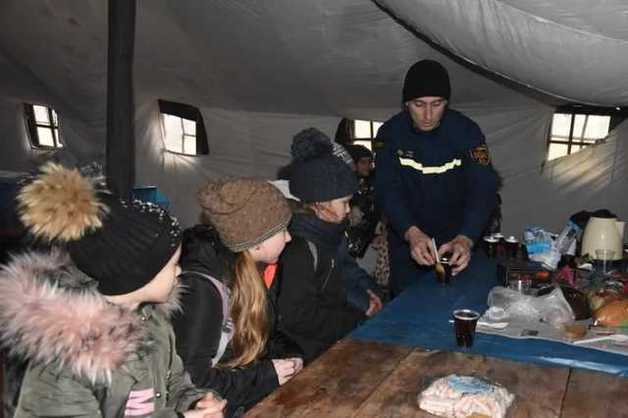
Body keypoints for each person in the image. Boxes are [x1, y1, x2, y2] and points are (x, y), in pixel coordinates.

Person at [0, 163, 225, 418]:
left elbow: (175, 384)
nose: (180, 272)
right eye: (173, 265)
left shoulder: (153, 321)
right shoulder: (66, 356)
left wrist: (195, 403)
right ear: (138, 274)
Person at [173, 179, 303, 416]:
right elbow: (192, 379)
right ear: (256, 242)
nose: (289, 238)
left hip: (243, 397)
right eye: (282, 230)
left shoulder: (259, 269)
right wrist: (265, 376)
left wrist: (290, 354)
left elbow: (265, 333)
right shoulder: (203, 290)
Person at [375, 59, 498, 296]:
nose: (428, 115)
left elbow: (484, 187)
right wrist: (410, 232)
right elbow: (386, 189)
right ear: (406, 103)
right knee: (406, 305)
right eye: (419, 104)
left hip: (457, 237)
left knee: (457, 302)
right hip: (408, 237)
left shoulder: (467, 132)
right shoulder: (389, 134)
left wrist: (467, 237)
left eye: (437, 104)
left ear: (447, 103)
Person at [278, 128, 383, 362]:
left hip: (328, 343)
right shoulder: (299, 247)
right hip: (306, 355)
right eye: (344, 202)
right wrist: (357, 316)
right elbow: (300, 317)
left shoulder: (328, 232)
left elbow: (345, 274)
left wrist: (372, 293)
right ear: (319, 202)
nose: (348, 210)